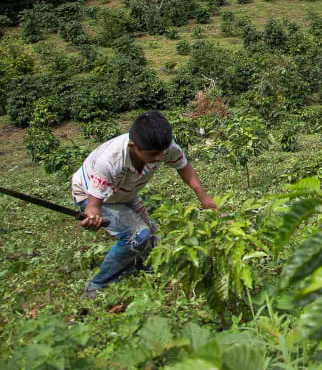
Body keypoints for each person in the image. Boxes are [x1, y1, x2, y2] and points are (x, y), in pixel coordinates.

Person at [72, 111, 215, 298]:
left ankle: (145, 271)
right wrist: (92, 217)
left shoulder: (164, 147)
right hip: (91, 195)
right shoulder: (110, 161)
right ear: (133, 147)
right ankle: (97, 286)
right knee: (138, 235)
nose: (159, 158)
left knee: (150, 236)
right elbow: (94, 205)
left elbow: (183, 167)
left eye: (161, 153)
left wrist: (203, 197)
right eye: (153, 155)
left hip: (125, 193)